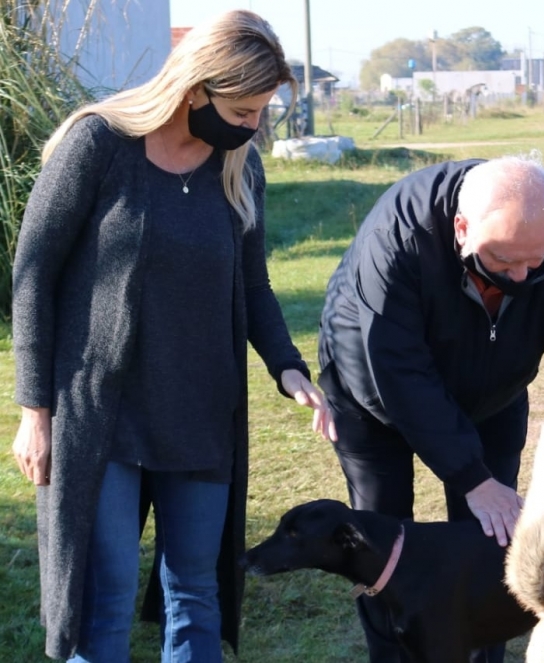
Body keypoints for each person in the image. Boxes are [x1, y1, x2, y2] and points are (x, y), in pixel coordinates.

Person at [10, 10, 331, 662]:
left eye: (260, 111)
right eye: (243, 110)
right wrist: (34, 411)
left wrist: (287, 366)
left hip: (201, 413)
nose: (254, 126)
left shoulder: (239, 168)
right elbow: (33, 275)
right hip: (103, 414)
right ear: (195, 90)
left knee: (197, 593)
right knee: (103, 598)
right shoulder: (98, 145)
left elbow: (253, 284)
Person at [317, 152, 544, 663]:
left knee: (492, 540)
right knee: (378, 540)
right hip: (372, 394)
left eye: (535, 262)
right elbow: (400, 369)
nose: (519, 275)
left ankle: (485, 655)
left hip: (493, 394)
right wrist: (471, 476)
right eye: (504, 261)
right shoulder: (401, 234)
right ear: (461, 228)